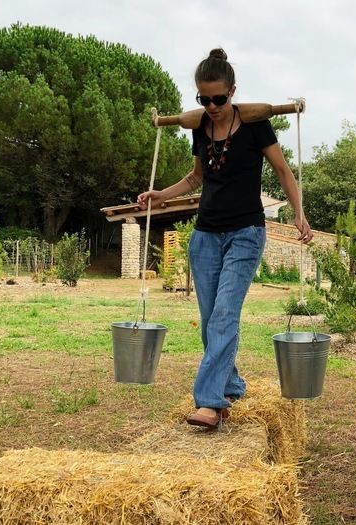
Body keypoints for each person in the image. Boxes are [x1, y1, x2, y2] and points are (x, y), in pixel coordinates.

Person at [137, 48, 312, 429]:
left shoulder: (255, 126)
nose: (212, 105)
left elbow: (282, 171)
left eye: (219, 98)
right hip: (205, 235)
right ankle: (231, 383)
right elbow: (196, 177)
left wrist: (299, 213)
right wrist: (160, 195)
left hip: (246, 233)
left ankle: (210, 402)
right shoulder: (200, 128)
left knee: (224, 314)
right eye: (204, 99)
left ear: (233, 91)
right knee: (208, 320)